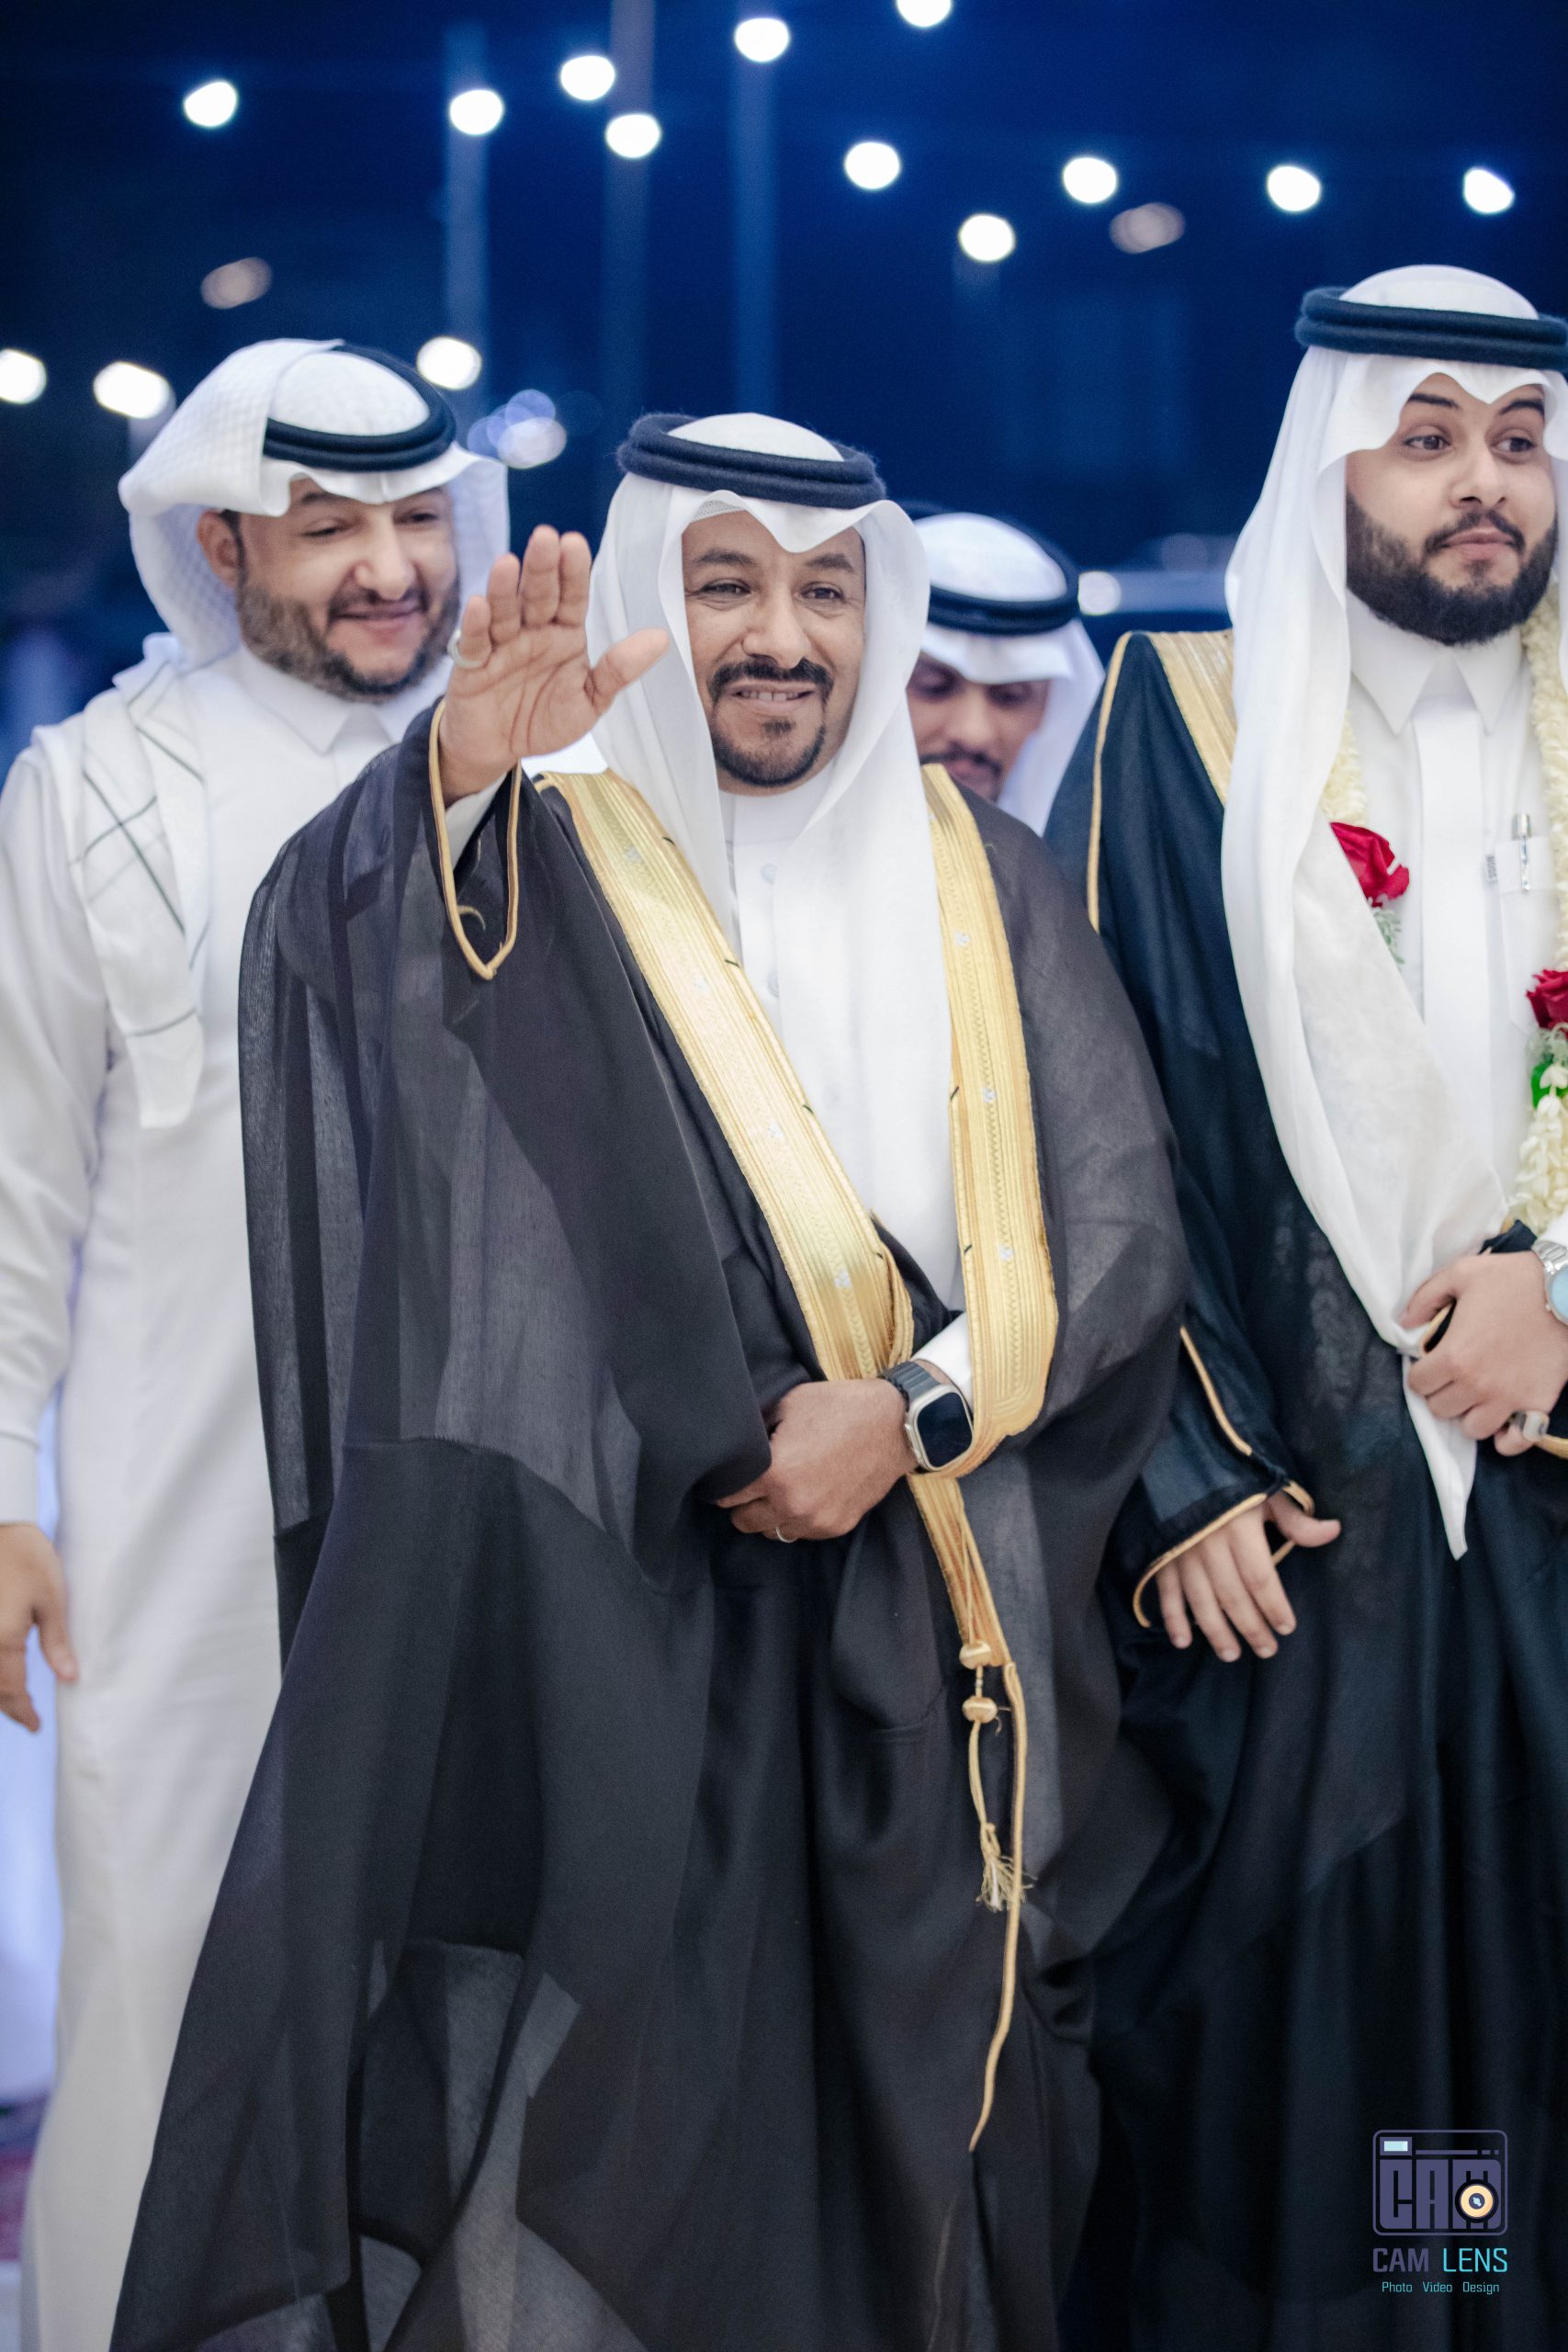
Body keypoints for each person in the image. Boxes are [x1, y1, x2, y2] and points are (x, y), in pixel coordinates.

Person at [111, 412, 1186, 2352]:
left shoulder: (991, 878)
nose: (781, 635)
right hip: (625, 1631)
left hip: (925, 1632)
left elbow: (1108, 1237)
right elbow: (356, 997)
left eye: (824, 590)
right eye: (724, 584)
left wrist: (906, 1414)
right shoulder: (545, 847)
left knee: (922, 2153)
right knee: (624, 2157)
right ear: (643, 598)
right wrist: (453, 784)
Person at [1049, 266, 1568, 2346]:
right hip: (1300, 1519)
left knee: (1525, 1991)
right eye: (1422, 436)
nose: (1478, 482)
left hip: (1544, 1493)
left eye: (1517, 441)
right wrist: (1186, 1470)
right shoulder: (1183, 722)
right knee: (1321, 2030)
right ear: (1328, 458)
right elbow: (1104, 1110)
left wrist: (1560, 1293)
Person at [0, 337, 508, 2352]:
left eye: (418, 519)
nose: (393, 568)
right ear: (220, 547)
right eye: (329, 530)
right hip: (177, 1511)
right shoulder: (96, 789)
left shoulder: (531, 760)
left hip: (488, 1493)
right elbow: (16, 1176)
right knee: (167, 1964)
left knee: (473, 1984)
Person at [906, 509, 1102, 829]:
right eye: (934, 688)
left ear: (1048, 705)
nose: (974, 734)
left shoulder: (1069, 860)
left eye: (1011, 697)